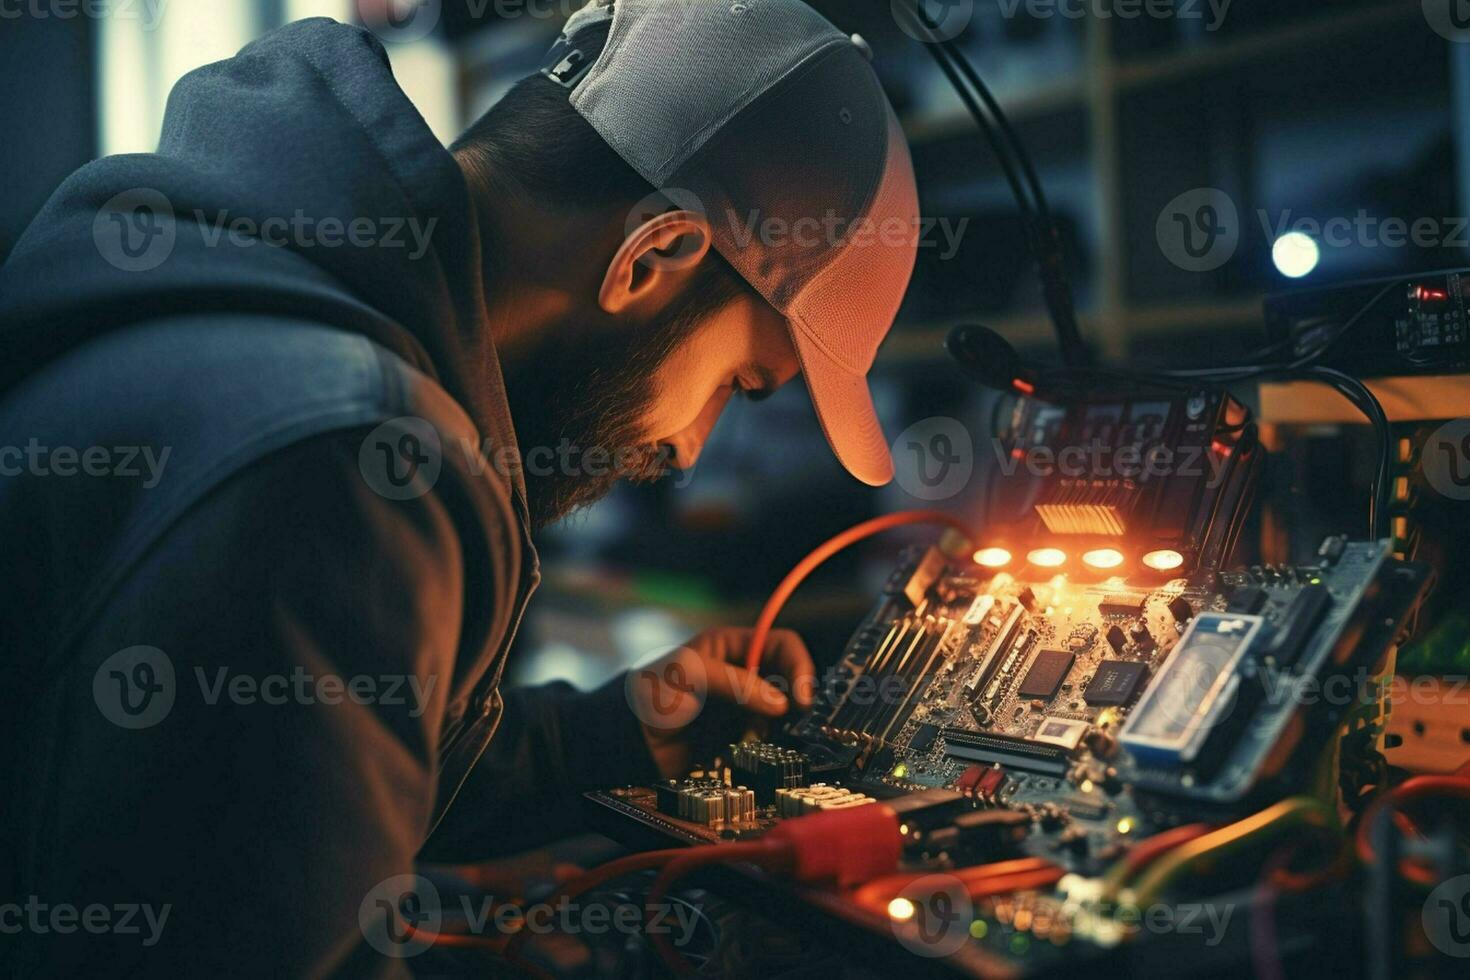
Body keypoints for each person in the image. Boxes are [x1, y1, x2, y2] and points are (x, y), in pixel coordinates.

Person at [0, 0, 919, 974]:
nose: (690, 451)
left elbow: (259, 792)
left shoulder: (234, 290)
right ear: (652, 256)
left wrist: (603, 738)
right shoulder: (355, 454)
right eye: (737, 383)